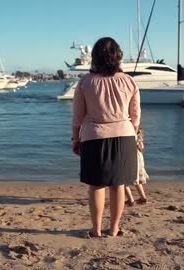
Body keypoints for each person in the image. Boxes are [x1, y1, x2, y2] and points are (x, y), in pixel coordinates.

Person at [72, 37, 140, 238]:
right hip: (125, 136)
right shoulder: (129, 81)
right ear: (118, 56)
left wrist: (75, 139)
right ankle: (114, 229)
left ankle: (96, 230)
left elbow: (77, 118)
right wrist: (134, 136)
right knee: (118, 185)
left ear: (94, 58)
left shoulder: (85, 82)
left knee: (96, 185)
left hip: (94, 137)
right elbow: (135, 117)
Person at [125, 131, 149, 206]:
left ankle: (131, 200)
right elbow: (141, 147)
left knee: (122, 181)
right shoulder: (138, 134)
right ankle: (143, 198)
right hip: (138, 156)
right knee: (137, 178)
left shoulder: (126, 132)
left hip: (129, 156)